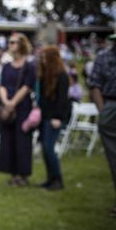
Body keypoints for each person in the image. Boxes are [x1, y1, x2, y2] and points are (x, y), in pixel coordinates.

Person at [0, 33, 36, 187]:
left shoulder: (29, 66)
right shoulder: (6, 66)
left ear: (21, 45)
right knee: (8, 141)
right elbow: (2, 85)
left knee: (22, 141)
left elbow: (27, 87)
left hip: (23, 107)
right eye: (9, 42)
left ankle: (23, 174)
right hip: (8, 107)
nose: (10, 45)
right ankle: (13, 174)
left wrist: (12, 103)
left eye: (13, 42)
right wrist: (6, 102)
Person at [88, 32, 116, 217]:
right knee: (115, 159)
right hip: (111, 105)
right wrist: (103, 110)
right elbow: (95, 85)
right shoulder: (104, 57)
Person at [36, 45, 70, 191]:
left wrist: (58, 118)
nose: (42, 61)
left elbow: (62, 100)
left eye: (45, 58)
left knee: (49, 148)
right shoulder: (45, 77)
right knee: (45, 148)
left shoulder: (62, 76)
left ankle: (58, 180)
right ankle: (50, 178)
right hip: (45, 117)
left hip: (55, 119)